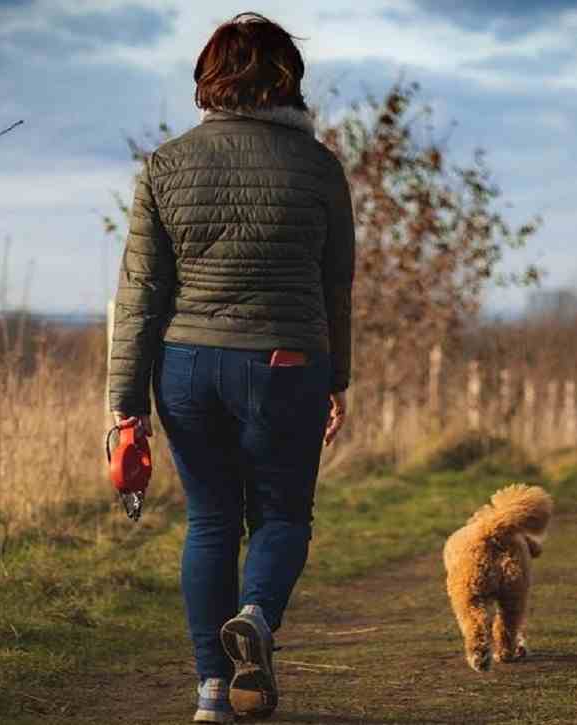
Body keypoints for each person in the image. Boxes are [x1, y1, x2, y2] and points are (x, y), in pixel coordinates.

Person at [106, 12, 354, 723]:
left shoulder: (166, 164)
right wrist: (337, 378)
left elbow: (142, 292)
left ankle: (213, 691)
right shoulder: (320, 168)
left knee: (210, 520)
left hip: (186, 367)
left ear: (209, 80)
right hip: (286, 362)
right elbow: (336, 284)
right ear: (288, 83)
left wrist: (127, 399)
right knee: (282, 514)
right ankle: (256, 616)